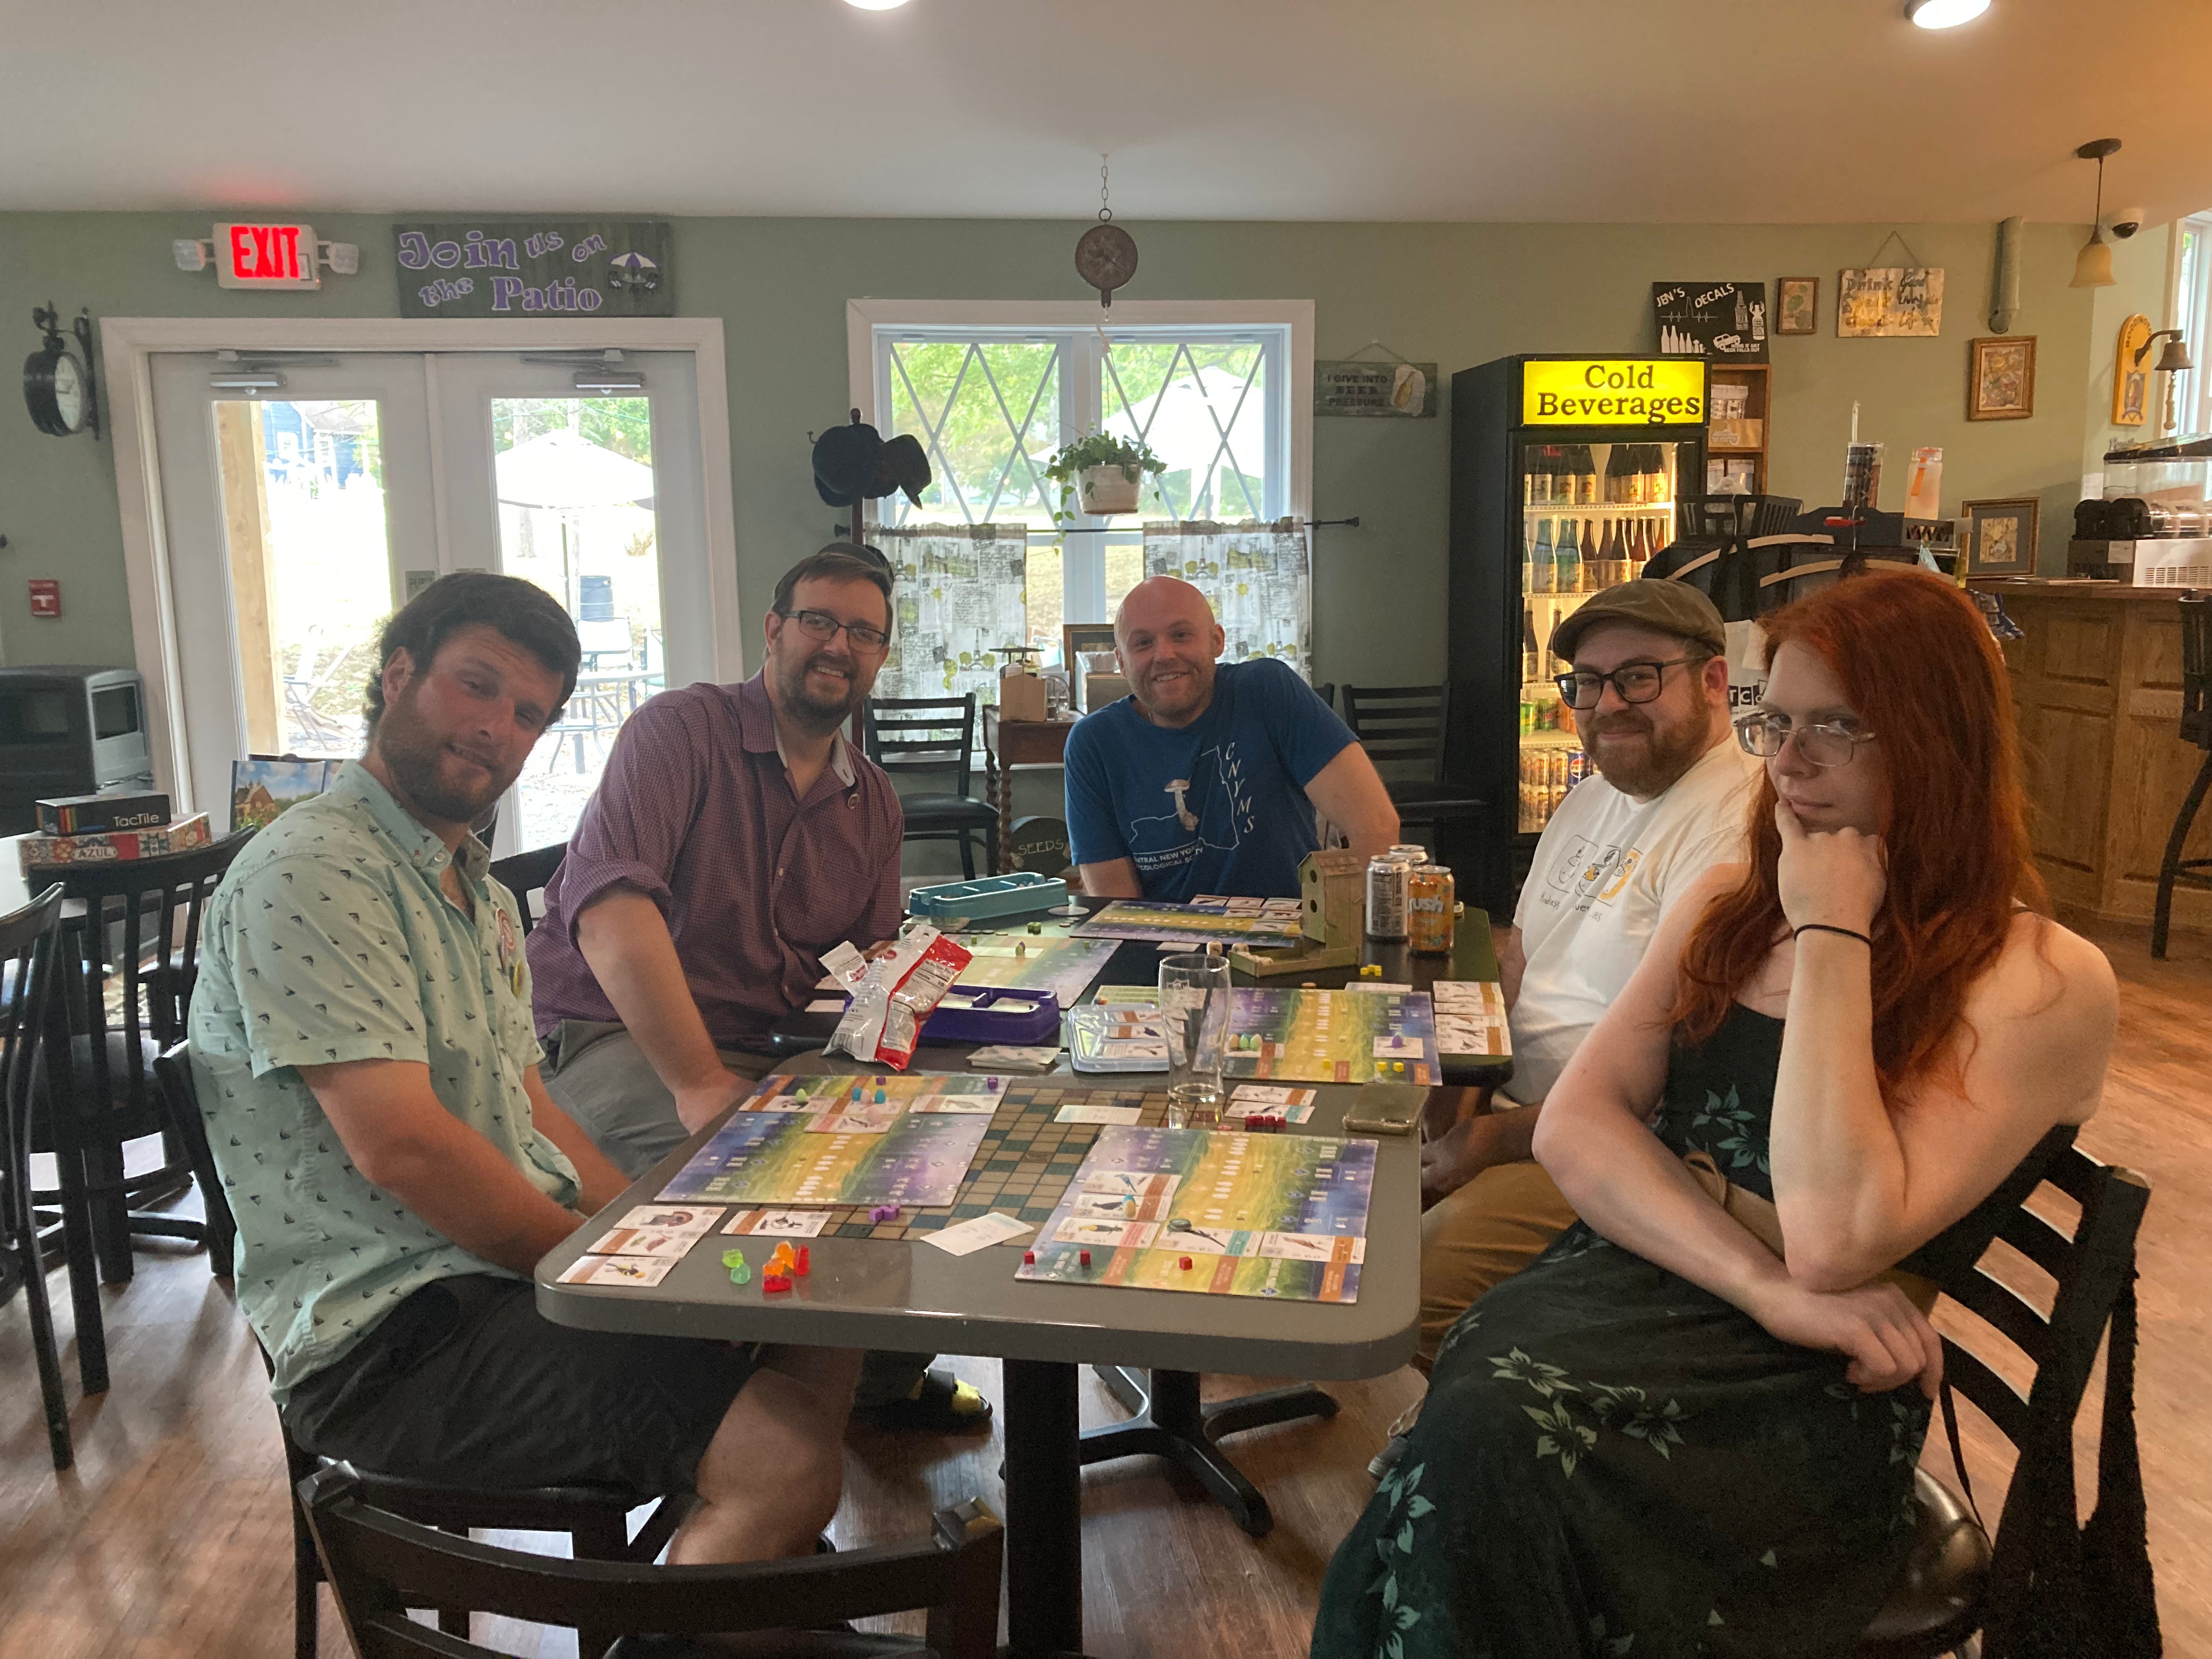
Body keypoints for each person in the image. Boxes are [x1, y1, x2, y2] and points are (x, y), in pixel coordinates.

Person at [1314, 568, 2118, 1656]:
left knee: (1485, 1435)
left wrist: (1834, 928)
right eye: (1777, 720)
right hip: (1667, 1287)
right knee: (1476, 1412)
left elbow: (1833, 1244)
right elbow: (1577, 1126)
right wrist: (1752, 1269)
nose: (1788, 761)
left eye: (1838, 724)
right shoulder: (1730, 905)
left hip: (1807, 1386)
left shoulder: (2042, 978)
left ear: (1941, 737)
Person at [189, 572, 860, 1562]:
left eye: (528, 713)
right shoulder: (315, 867)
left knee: (821, 1307)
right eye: (476, 686)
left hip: (494, 1291)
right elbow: (405, 1148)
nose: (497, 727)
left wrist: (650, 1230)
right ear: (398, 673)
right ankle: (732, 1577)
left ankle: (745, 1581)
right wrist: (611, 1272)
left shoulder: (480, 894)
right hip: (393, 1341)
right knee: (791, 1454)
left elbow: (536, 1108)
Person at [529, 544, 983, 1433]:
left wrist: (912, 1015)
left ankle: (867, 1383)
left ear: (881, 656)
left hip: (777, 1046)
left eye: (863, 631)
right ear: (773, 629)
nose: (837, 644)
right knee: (776, 1189)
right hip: (622, 1038)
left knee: (916, 1157)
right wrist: (699, 1080)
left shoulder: (874, 799)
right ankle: (745, 1420)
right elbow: (612, 909)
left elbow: (870, 960)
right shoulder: (679, 731)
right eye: (818, 619)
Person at [1414, 582, 1758, 1361]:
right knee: (1335, 1195)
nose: (1608, 705)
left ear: (1712, 682)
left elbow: (1675, 1079)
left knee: (1408, 1281)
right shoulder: (1589, 799)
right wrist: (1451, 1089)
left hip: (1621, 1148)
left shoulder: (1738, 827)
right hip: (1510, 1106)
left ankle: (1477, 1443)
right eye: (1588, 683)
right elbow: (1518, 967)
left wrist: (1493, 1140)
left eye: (1638, 677)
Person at [1064, 575, 1399, 900]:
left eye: (1181, 635)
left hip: (1287, 943)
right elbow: (1116, 906)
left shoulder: (1269, 691)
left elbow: (1376, 827)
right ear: (1121, 662)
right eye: (1143, 643)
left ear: (1217, 642)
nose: (1163, 654)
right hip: (1162, 950)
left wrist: (1342, 937)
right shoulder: (1092, 744)